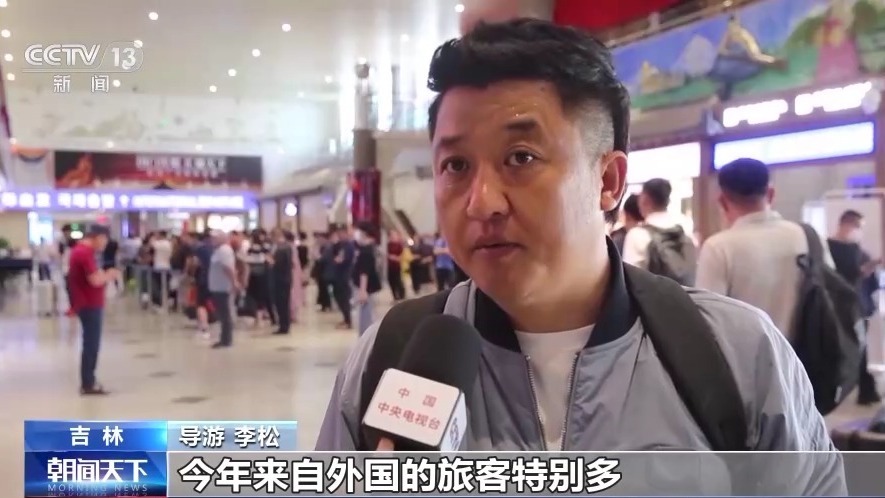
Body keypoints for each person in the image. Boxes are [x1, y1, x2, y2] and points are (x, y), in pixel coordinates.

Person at [316, 18, 845, 493]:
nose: (482, 202)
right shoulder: (388, 358)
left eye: (520, 157)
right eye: (455, 166)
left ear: (608, 180)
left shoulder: (737, 353)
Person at [696, 158, 834, 339]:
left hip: (745, 354)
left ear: (722, 200)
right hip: (808, 354)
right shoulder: (810, 237)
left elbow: (708, 319)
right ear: (770, 194)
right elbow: (831, 296)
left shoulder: (718, 247)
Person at [827, 209, 882, 406]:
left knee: (860, 348)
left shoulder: (857, 249)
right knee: (844, 348)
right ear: (846, 224)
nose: (859, 231)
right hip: (838, 307)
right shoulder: (828, 249)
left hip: (857, 306)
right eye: (858, 226)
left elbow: (865, 279)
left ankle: (866, 390)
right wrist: (867, 268)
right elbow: (842, 276)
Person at [67, 225, 118, 395]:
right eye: (104, 240)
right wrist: (110, 275)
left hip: (88, 302)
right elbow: (95, 280)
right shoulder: (84, 253)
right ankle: (88, 383)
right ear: (97, 237)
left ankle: (89, 380)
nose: (105, 244)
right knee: (91, 343)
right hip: (89, 304)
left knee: (91, 342)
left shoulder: (82, 252)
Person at [622, 178, 696, 284]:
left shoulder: (637, 235)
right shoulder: (685, 230)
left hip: (654, 294)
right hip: (686, 293)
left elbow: (630, 280)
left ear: (645, 199)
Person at [207, 231, 240, 348]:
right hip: (217, 286)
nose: (212, 240)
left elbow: (228, 268)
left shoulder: (224, 251)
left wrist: (234, 282)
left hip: (223, 287)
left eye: (215, 238)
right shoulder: (218, 250)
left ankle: (226, 340)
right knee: (222, 313)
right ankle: (224, 338)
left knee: (225, 314)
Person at [352, 222, 382, 335]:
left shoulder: (366, 251)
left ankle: (365, 338)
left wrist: (362, 290)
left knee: (365, 315)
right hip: (369, 286)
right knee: (368, 312)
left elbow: (364, 272)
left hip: (366, 287)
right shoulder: (372, 248)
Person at [244, 229, 275, 328]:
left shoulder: (250, 249)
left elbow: (248, 264)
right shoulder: (265, 248)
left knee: (256, 297)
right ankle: (266, 317)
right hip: (263, 275)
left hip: (254, 275)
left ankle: (258, 318)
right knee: (264, 297)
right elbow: (271, 261)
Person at [270, 229, 294, 335]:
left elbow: (277, 264)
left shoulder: (282, 249)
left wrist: (270, 261)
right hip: (285, 278)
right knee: (283, 303)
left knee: (281, 303)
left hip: (281, 279)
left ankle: (283, 326)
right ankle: (284, 324)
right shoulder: (287, 247)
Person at [331, 226, 355, 329]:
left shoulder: (349, 246)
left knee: (344, 298)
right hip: (338, 275)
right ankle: (345, 318)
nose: (340, 236)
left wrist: (338, 260)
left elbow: (342, 259)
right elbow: (334, 255)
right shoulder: (340, 245)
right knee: (338, 296)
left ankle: (348, 321)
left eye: (341, 233)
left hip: (344, 275)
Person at [150, 230, 172, 309]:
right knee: (166, 286)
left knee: (157, 286)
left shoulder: (159, 244)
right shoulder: (169, 244)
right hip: (167, 266)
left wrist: (153, 236)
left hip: (158, 267)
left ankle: (159, 303)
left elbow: (151, 242)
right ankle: (167, 301)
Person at [386, 229, 407, 301]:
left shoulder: (399, 245)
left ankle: (401, 295)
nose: (393, 236)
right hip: (389, 266)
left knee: (398, 280)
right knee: (391, 281)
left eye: (394, 234)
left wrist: (392, 257)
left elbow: (401, 257)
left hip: (397, 266)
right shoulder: (388, 245)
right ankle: (395, 296)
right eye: (391, 234)